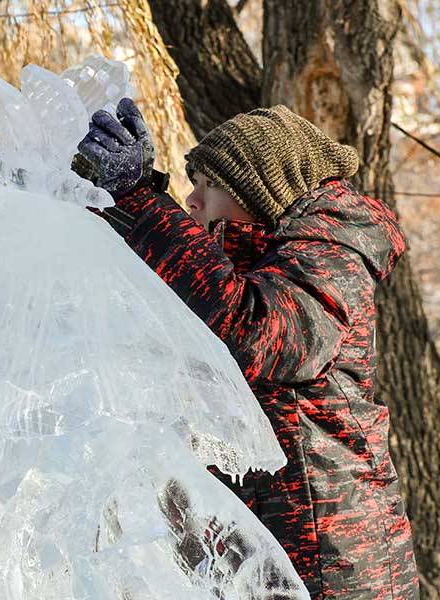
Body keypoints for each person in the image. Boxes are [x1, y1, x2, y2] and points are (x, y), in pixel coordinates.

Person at [72, 98, 420, 599]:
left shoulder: (333, 252)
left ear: (257, 189)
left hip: (331, 568)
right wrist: (116, 195)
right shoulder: (252, 264)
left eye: (206, 186)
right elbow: (182, 286)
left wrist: (143, 203)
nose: (191, 202)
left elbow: (261, 333)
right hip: (251, 559)